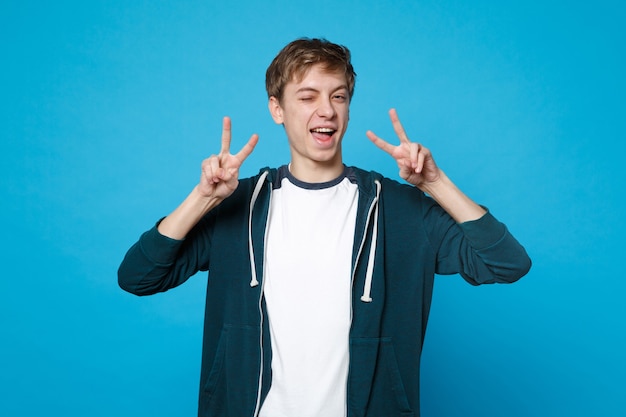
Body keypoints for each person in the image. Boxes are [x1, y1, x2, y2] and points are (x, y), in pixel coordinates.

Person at [118, 38, 531, 417]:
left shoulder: (399, 210)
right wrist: (203, 198)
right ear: (276, 108)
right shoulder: (238, 206)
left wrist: (434, 184)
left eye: (339, 97)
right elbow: (138, 276)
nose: (327, 110)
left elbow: (506, 263)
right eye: (308, 96)